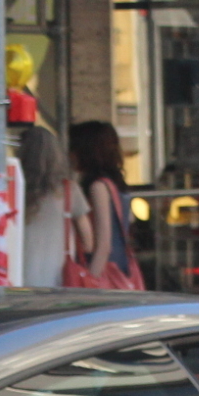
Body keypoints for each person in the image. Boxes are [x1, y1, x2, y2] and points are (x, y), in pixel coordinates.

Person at [67, 119, 143, 290]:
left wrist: (89, 282)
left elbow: (103, 245)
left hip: (105, 273)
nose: (70, 154)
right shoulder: (116, 185)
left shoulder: (98, 187)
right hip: (121, 269)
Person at [16, 122, 85, 288]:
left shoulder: (14, 189)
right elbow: (88, 240)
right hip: (60, 278)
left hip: (20, 277)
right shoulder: (69, 190)